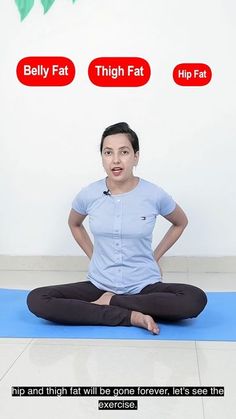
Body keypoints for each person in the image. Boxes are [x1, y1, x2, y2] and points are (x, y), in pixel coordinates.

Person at [27, 122, 207, 335]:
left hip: (143, 285)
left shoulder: (154, 194)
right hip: (99, 284)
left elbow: (180, 222)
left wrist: (154, 257)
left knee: (194, 299)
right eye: (108, 152)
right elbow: (74, 223)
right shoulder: (89, 194)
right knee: (37, 299)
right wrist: (94, 256)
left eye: (124, 152)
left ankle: (111, 302)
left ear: (136, 156)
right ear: (102, 158)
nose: (116, 160)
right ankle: (131, 316)